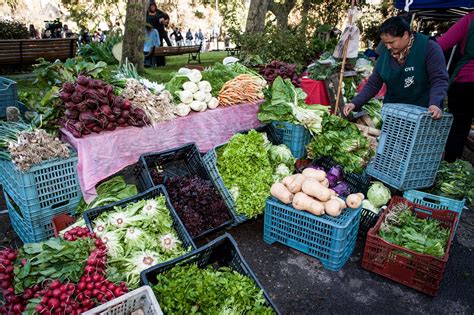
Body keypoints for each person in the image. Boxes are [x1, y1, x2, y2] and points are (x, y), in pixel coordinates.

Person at [343, 16, 449, 120]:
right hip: (394, 113)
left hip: (422, 114)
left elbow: (439, 79)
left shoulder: (428, 47)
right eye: (385, 43)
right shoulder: (386, 52)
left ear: (406, 35)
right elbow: (373, 83)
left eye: (391, 42)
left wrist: (434, 104)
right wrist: (355, 103)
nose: (388, 47)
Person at [437, 11, 474, 162]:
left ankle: (451, 165)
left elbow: (442, 44)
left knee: (458, 127)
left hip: (466, 81)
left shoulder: (470, 19)